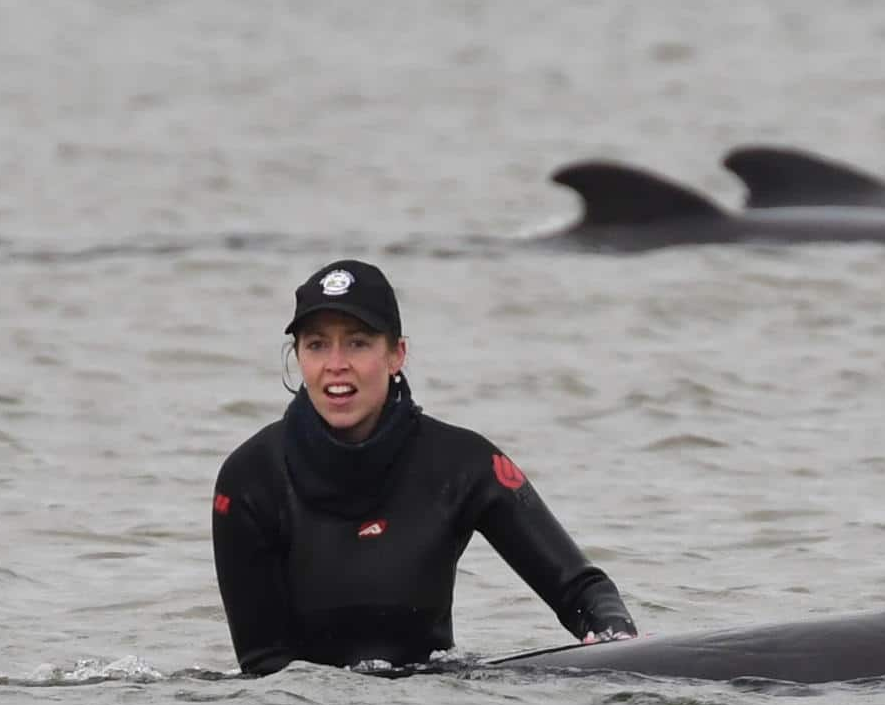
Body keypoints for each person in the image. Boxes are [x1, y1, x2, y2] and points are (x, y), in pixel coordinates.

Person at [212, 259, 637, 674]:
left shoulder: (462, 463)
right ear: (299, 356)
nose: (335, 364)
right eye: (317, 344)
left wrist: (617, 644)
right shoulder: (250, 479)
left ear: (397, 354)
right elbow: (262, 668)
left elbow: (582, 591)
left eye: (358, 342)